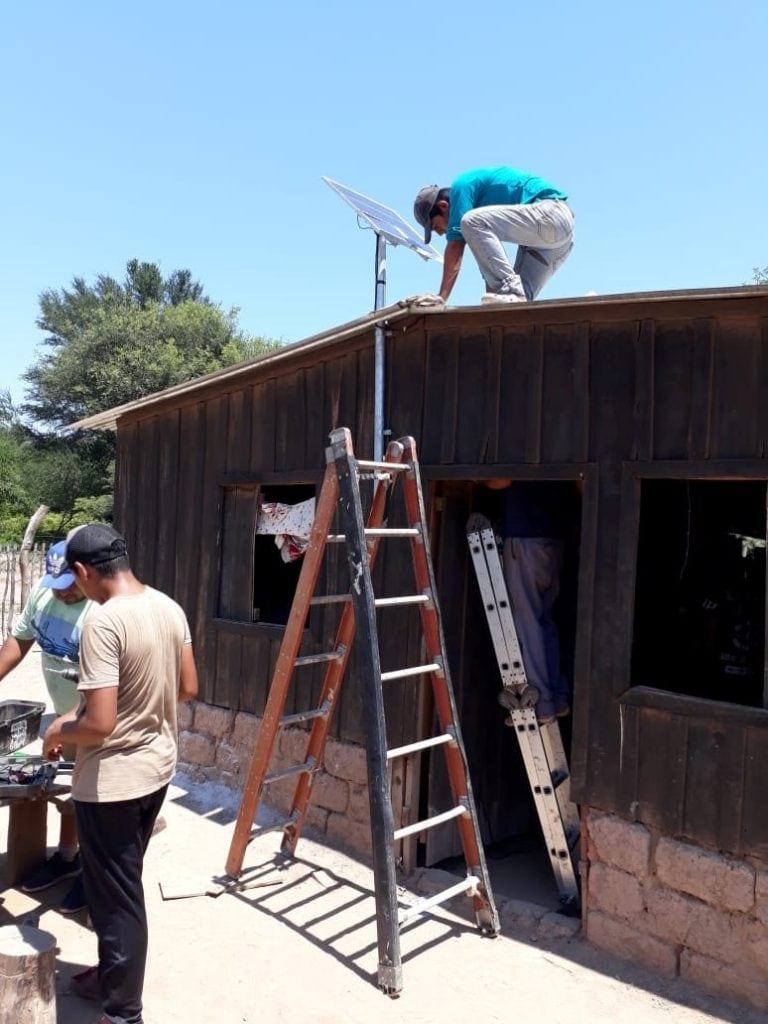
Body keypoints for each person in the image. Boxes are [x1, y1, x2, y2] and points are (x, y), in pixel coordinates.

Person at [43, 523, 198, 1024]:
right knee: (117, 888)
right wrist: (144, 706)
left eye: (76, 578)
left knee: (118, 900)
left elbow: (101, 724)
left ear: (85, 571)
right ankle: (112, 975)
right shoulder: (167, 606)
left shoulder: (103, 624)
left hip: (112, 783)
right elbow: (189, 686)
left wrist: (59, 733)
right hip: (157, 769)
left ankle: (123, 1013)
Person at [0, 540, 92, 912]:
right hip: (66, 711)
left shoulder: (103, 613)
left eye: (71, 582)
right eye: (57, 583)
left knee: (95, 797)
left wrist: (66, 724)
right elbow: (19, 642)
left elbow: (112, 690)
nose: (64, 590)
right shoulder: (45, 593)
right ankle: (68, 857)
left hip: (100, 719)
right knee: (69, 786)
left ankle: (95, 874)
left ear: (87, 572)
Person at [413, 166, 574, 305]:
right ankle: (514, 298)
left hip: (552, 213)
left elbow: (456, 245)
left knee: (469, 221)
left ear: (443, 206)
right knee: (513, 305)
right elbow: (491, 270)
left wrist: (441, 297)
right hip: (558, 239)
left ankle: (512, 289)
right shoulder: (480, 224)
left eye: (436, 227)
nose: (441, 233)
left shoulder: (461, 186)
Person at [486, 480, 579, 724]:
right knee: (545, 620)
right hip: (554, 540)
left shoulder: (519, 447)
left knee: (526, 623)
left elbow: (499, 481)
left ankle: (541, 703)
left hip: (524, 538)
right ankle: (558, 697)